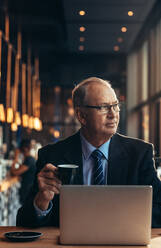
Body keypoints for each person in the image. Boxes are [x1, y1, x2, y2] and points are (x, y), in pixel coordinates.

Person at [16, 77, 161, 227]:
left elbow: (159, 209)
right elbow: (23, 222)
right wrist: (42, 200)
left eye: (115, 106)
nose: (113, 114)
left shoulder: (139, 154)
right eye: (103, 107)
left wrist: (113, 223)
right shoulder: (52, 156)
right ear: (81, 116)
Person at [11, 139, 36, 205]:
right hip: (28, 190)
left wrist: (16, 157)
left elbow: (14, 172)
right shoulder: (29, 159)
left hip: (27, 191)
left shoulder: (29, 160)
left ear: (24, 148)